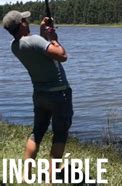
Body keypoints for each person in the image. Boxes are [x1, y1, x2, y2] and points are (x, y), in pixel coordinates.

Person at [2, 11, 72, 179]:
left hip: (40, 95)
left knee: (37, 133)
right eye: (25, 19)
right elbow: (62, 56)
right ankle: (50, 180)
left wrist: (43, 34)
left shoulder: (15, 46)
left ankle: (26, 175)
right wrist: (54, 38)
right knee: (60, 135)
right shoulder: (34, 41)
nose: (28, 21)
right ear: (22, 24)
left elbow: (39, 49)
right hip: (59, 94)